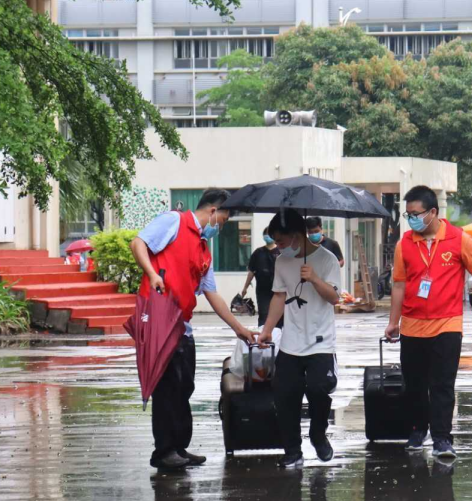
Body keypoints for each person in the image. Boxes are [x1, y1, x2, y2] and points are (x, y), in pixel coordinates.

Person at [130, 189, 257, 470]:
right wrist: (152, 275)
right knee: (167, 387)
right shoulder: (173, 222)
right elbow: (138, 243)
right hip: (160, 319)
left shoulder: (203, 249)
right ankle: (163, 451)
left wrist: (240, 329)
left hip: (182, 326)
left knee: (184, 385)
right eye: (223, 221)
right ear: (212, 211)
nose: (220, 228)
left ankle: (179, 447)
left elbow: (212, 294)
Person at [385, 185, 472, 460]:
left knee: (441, 384)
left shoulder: (460, 239)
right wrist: (394, 322)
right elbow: (399, 286)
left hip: (447, 324)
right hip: (413, 324)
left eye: (416, 213)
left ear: (433, 212)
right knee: (414, 384)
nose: (412, 219)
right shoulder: (404, 244)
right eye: (408, 214)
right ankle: (417, 431)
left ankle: (442, 438)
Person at [259, 209, 341, 468]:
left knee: (319, 389)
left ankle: (318, 435)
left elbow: (335, 298)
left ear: (296, 236)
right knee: (285, 395)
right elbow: (279, 297)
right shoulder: (282, 261)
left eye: (281, 241)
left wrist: (314, 278)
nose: (278, 247)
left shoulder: (327, 259)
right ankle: (292, 451)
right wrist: (268, 329)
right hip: (291, 343)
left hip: (320, 341)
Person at [241, 228, 283, 328]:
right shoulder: (258, 253)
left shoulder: (281, 252)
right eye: (266, 235)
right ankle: (263, 337)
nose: (268, 237)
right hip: (262, 289)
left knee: (280, 314)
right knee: (264, 313)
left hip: (279, 289)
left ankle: (279, 335)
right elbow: (251, 271)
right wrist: (245, 287)